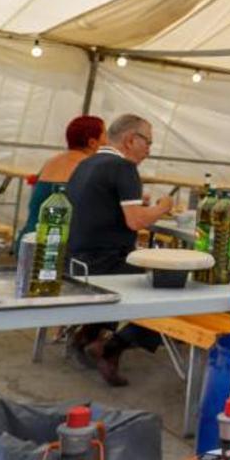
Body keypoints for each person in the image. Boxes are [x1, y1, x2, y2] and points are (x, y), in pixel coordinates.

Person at [66, 114, 173, 386]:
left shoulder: (85, 164)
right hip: (105, 264)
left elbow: (100, 207)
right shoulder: (123, 168)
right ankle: (112, 347)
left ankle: (87, 335)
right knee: (172, 289)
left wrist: (139, 203)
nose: (149, 150)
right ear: (130, 140)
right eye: (147, 142)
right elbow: (136, 221)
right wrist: (162, 208)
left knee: (145, 271)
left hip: (74, 262)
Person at [16, 115, 106, 251]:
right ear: (92, 143)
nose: (109, 141)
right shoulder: (90, 167)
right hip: (54, 252)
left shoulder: (51, 162)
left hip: (27, 243)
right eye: (105, 135)